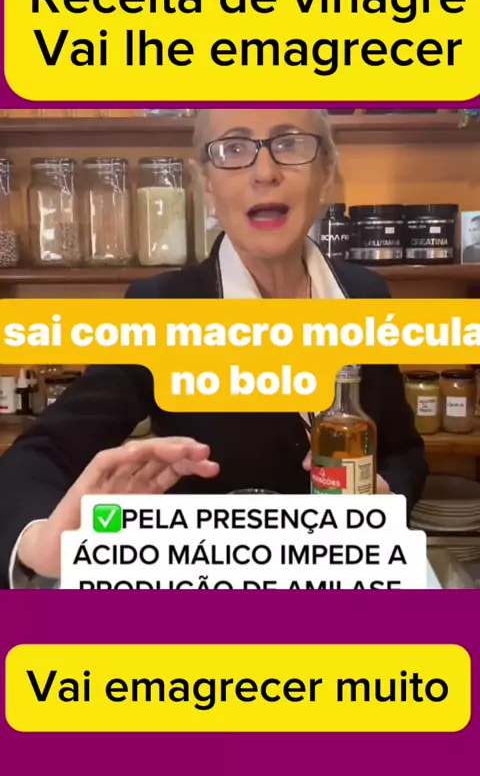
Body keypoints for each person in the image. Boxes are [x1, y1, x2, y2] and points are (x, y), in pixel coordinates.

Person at [0, 108, 428, 588]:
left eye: (289, 143)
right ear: (206, 183)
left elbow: (403, 452)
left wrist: (387, 500)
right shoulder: (161, 308)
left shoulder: (365, 294)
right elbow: (41, 454)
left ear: (325, 172)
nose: (264, 171)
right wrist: (37, 541)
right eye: (234, 149)